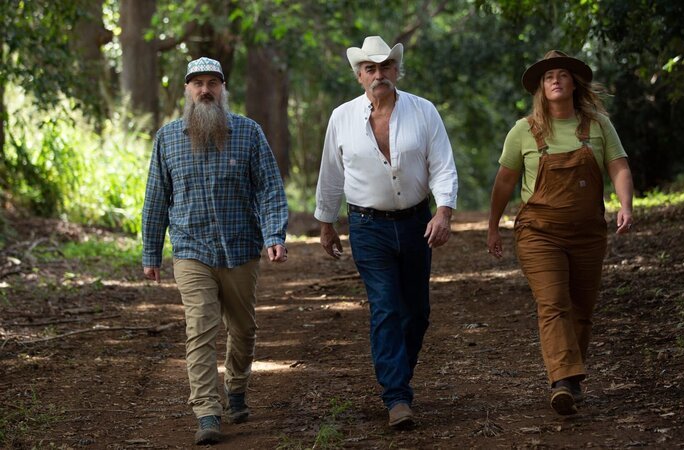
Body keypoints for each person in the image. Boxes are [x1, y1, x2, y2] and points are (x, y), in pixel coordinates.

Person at [141, 56, 289, 444]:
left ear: (223, 89)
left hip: (241, 248)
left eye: (212, 83)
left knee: (243, 329)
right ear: (187, 91)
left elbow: (270, 189)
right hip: (191, 249)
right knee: (200, 329)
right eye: (197, 83)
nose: (205, 90)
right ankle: (207, 411)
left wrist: (274, 235)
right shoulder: (168, 138)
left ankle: (236, 388)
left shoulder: (248, 132)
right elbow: (157, 199)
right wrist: (151, 253)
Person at [314, 36, 458, 428]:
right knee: (385, 307)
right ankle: (396, 396)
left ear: (396, 71)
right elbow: (331, 173)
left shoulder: (424, 111)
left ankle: (398, 378)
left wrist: (443, 212)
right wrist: (326, 224)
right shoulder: (342, 117)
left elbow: (443, 165)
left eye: (386, 68)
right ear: (360, 76)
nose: (379, 75)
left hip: (416, 223)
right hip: (367, 226)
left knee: (417, 312)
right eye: (371, 69)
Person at [486, 50, 634, 416]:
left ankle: (572, 378)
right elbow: (504, 182)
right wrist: (493, 226)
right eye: (548, 75)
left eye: (563, 75)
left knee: (582, 309)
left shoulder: (598, 125)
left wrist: (626, 205)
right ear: (540, 86)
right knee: (554, 304)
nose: (555, 80)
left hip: (588, 232)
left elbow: (619, 168)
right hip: (539, 232)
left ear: (574, 83)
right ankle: (562, 381)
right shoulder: (524, 130)